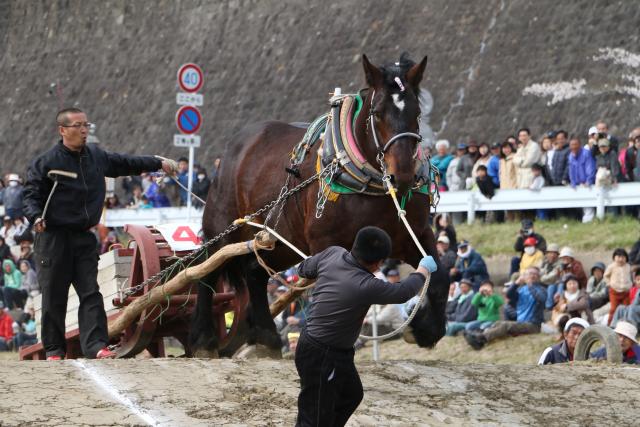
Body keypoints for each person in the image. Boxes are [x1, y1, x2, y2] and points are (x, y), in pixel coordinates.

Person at [22, 107, 178, 360]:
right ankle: (54, 350)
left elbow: (126, 162)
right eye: (78, 126)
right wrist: (36, 217)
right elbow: (30, 196)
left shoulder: (95, 156)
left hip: (84, 236)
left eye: (86, 125)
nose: (84, 130)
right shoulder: (46, 163)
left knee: (90, 292)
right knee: (54, 294)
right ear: (63, 130)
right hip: (53, 237)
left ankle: (96, 346)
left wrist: (157, 162)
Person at [293, 226, 437, 426]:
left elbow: (304, 269)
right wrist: (423, 270)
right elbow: (403, 292)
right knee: (314, 417)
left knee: (351, 395)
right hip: (322, 354)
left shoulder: (333, 253)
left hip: (330, 349)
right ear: (378, 263)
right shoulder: (366, 285)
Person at [464, 267, 546, 350]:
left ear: (538, 277)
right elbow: (509, 294)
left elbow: (541, 299)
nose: (532, 276)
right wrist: (516, 283)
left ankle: (482, 339)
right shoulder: (522, 290)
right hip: (521, 322)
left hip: (533, 325)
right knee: (498, 323)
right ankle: (479, 336)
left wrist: (530, 285)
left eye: (535, 274)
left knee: (505, 325)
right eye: (530, 273)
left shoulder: (542, 289)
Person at [568, 137, 596, 222]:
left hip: (587, 183)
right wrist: (573, 182)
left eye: (575, 144)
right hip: (577, 184)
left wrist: (589, 181)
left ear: (580, 145)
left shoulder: (586, 154)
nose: (573, 147)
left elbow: (590, 168)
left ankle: (589, 221)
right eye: (572, 145)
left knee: (588, 205)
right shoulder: (570, 156)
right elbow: (571, 171)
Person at [604, 248, 632, 326]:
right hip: (614, 291)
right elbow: (606, 276)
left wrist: (630, 284)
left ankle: (624, 325)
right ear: (614, 258)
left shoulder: (628, 266)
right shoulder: (612, 266)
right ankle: (610, 325)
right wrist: (609, 284)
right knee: (613, 309)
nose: (620, 259)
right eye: (618, 257)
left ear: (626, 258)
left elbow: (630, 276)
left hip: (625, 292)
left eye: (623, 257)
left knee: (626, 308)